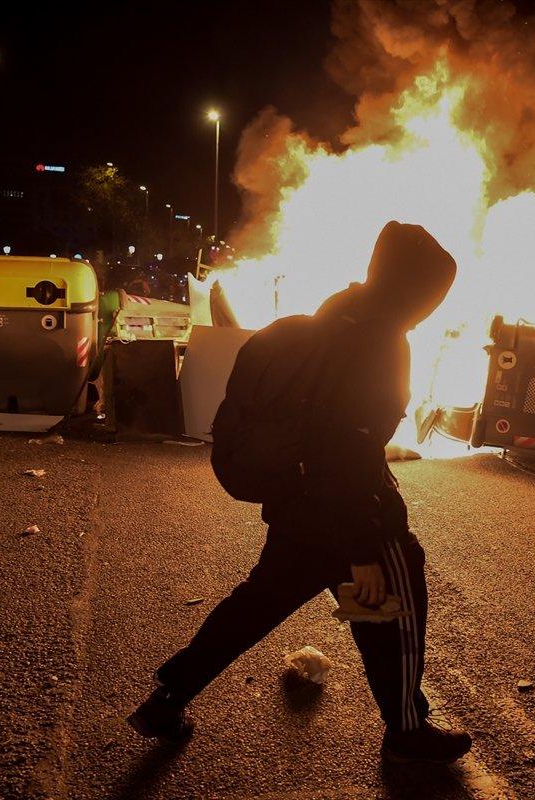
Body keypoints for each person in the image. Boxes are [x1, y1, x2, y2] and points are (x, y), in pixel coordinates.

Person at [128, 221, 472, 764]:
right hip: (350, 519)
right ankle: (407, 732)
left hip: (301, 509)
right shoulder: (379, 340)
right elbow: (350, 448)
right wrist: (364, 548)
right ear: (413, 288)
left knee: (254, 610)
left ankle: (167, 699)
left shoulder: (328, 321)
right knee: (390, 619)